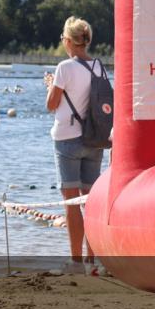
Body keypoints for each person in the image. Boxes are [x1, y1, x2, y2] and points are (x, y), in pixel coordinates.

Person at [44, 16, 104, 274]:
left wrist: (50, 86)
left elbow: (51, 104)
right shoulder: (99, 67)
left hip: (67, 138)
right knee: (91, 201)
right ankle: (92, 260)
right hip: (94, 138)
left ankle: (75, 261)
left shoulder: (64, 68)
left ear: (68, 41)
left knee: (71, 202)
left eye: (62, 39)